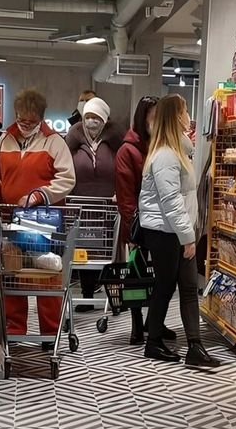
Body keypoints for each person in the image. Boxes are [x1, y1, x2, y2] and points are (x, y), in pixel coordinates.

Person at [0, 89, 75, 343]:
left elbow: (67, 179)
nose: (25, 126)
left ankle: (51, 333)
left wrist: (40, 194)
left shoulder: (54, 142)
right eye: (21, 120)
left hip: (46, 222)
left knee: (48, 276)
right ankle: (15, 329)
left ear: (41, 118)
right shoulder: (4, 140)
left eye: (31, 121)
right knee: (12, 274)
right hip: (10, 219)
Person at [135, 94, 217, 368]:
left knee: (188, 286)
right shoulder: (166, 156)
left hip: (176, 230)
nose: (188, 117)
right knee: (166, 285)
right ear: (176, 117)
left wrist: (187, 233)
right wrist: (188, 237)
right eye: (185, 111)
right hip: (165, 232)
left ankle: (194, 346)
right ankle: (154, 342)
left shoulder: (177, 151)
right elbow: (171, 201)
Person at [115, 96, 175, 346]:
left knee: (161, 277)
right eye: (152, 116)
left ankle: (154, 322)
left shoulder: (161, 145)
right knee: (136, 277)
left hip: (161, 224)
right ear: (143, 118)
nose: (156, 122)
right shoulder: (127, 150)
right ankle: (137, 324)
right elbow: (125, 195)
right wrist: (133, 230)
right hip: (138, 226)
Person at [66, 96, 126, 310]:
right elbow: (63, 168)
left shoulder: (116, 140)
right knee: (85, 251)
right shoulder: (73, 139)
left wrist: (121, 193)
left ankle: (116, 296)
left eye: (97, 118)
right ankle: (87, 294)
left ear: (104, 120)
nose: (92, 121)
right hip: (82, 206)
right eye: (88, 117)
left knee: (112, 252)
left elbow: (124, 169)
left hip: (109, 206)